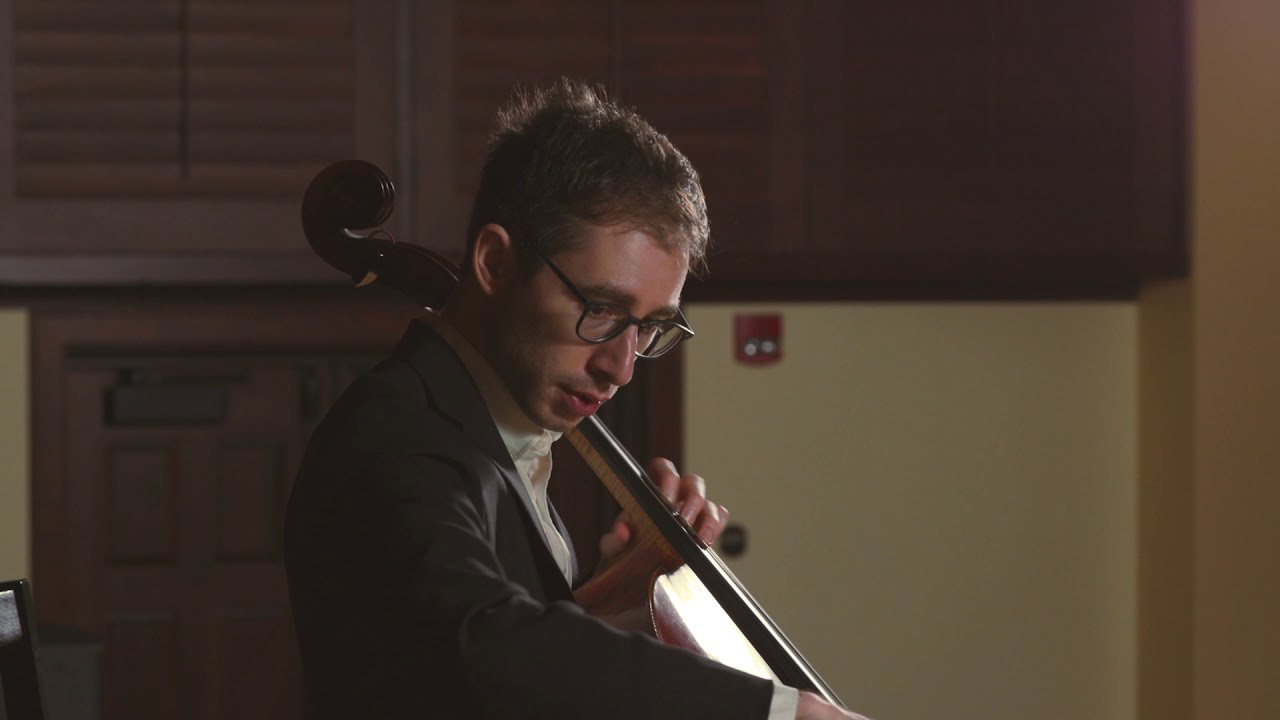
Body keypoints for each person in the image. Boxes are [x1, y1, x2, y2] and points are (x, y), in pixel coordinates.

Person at [284, 78, 864, 720]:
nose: (621, 366)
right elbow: (485, 643)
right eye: (600, 309)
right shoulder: (397, 435)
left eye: (650, 327)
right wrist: (781, 713)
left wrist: (618, 587)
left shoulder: (500, 439)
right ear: (496, 264)